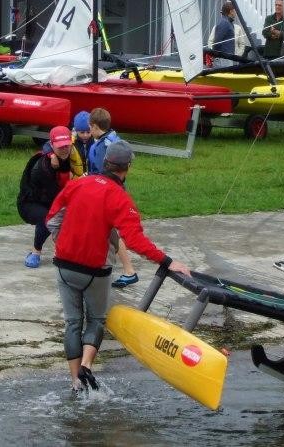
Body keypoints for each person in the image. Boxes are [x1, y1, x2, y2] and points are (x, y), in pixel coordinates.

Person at [45, 140, 190, 392]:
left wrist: (63, 242)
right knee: (96, 320)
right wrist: (168, 262)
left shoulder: (77, 184)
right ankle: (87, 366)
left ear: (105, 162)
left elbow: (51, 219)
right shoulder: (121, 198)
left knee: (72, 323)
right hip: (95, 271)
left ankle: (75, 382)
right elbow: (135, 240)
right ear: (127, 167)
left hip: (63, 265)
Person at [87, 107, 138, 288]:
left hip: (106, 192)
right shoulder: (114, 139)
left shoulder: (103, 147)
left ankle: (129, 270)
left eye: (89, 128)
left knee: (113, 231)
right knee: (110, 230)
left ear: (94, 126)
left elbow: (104, 172)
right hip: (115, 189)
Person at [19, 126, 76, 268]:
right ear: (52, 146)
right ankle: (36, 252)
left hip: (53, 200)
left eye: (66, 146)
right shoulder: (42, 166)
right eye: (60, 146)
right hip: (31, 203)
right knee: (49, 219)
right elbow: (56, 196)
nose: (64, 149)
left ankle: (72, 252)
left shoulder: (73, 157)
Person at [209, 1, 236, 67]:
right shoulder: (224, 23)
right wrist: (216, 56)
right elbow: (217, 42)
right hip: (223, 59)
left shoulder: (228, 22)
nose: (236, 13)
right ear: (231, 11)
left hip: (226, 58)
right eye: (235, 10)